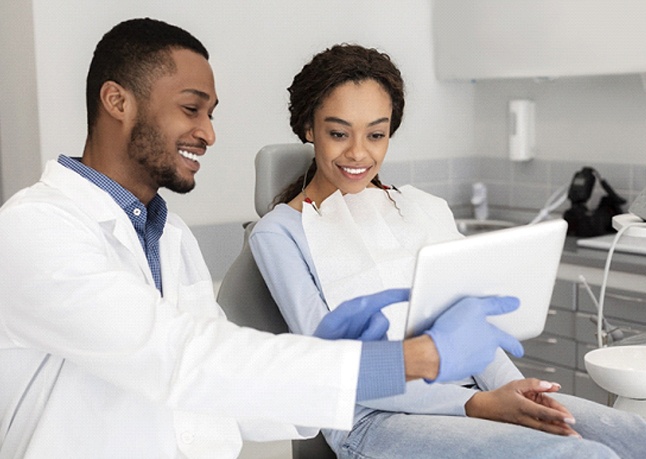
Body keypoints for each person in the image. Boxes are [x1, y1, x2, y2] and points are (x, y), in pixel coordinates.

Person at [0, 19, 526, 458]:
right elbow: (184, 359)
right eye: (191, 108)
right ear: (117, 101)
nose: (208, 132)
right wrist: (417, 359)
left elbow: (229, 399)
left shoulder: (169, 236)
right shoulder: (36, 228)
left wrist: (324, 355)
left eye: (210, 113)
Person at [249, 43, 646, 458]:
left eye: (376, 134)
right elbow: (335, 371)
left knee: (634, 437)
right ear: (309, 128)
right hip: (376, 419)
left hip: (475, 392)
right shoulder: (280, 234)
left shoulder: (417, 210)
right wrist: (475, 406)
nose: (358, 153)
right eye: (338, 133)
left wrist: (511, 392)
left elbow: (468, 320)